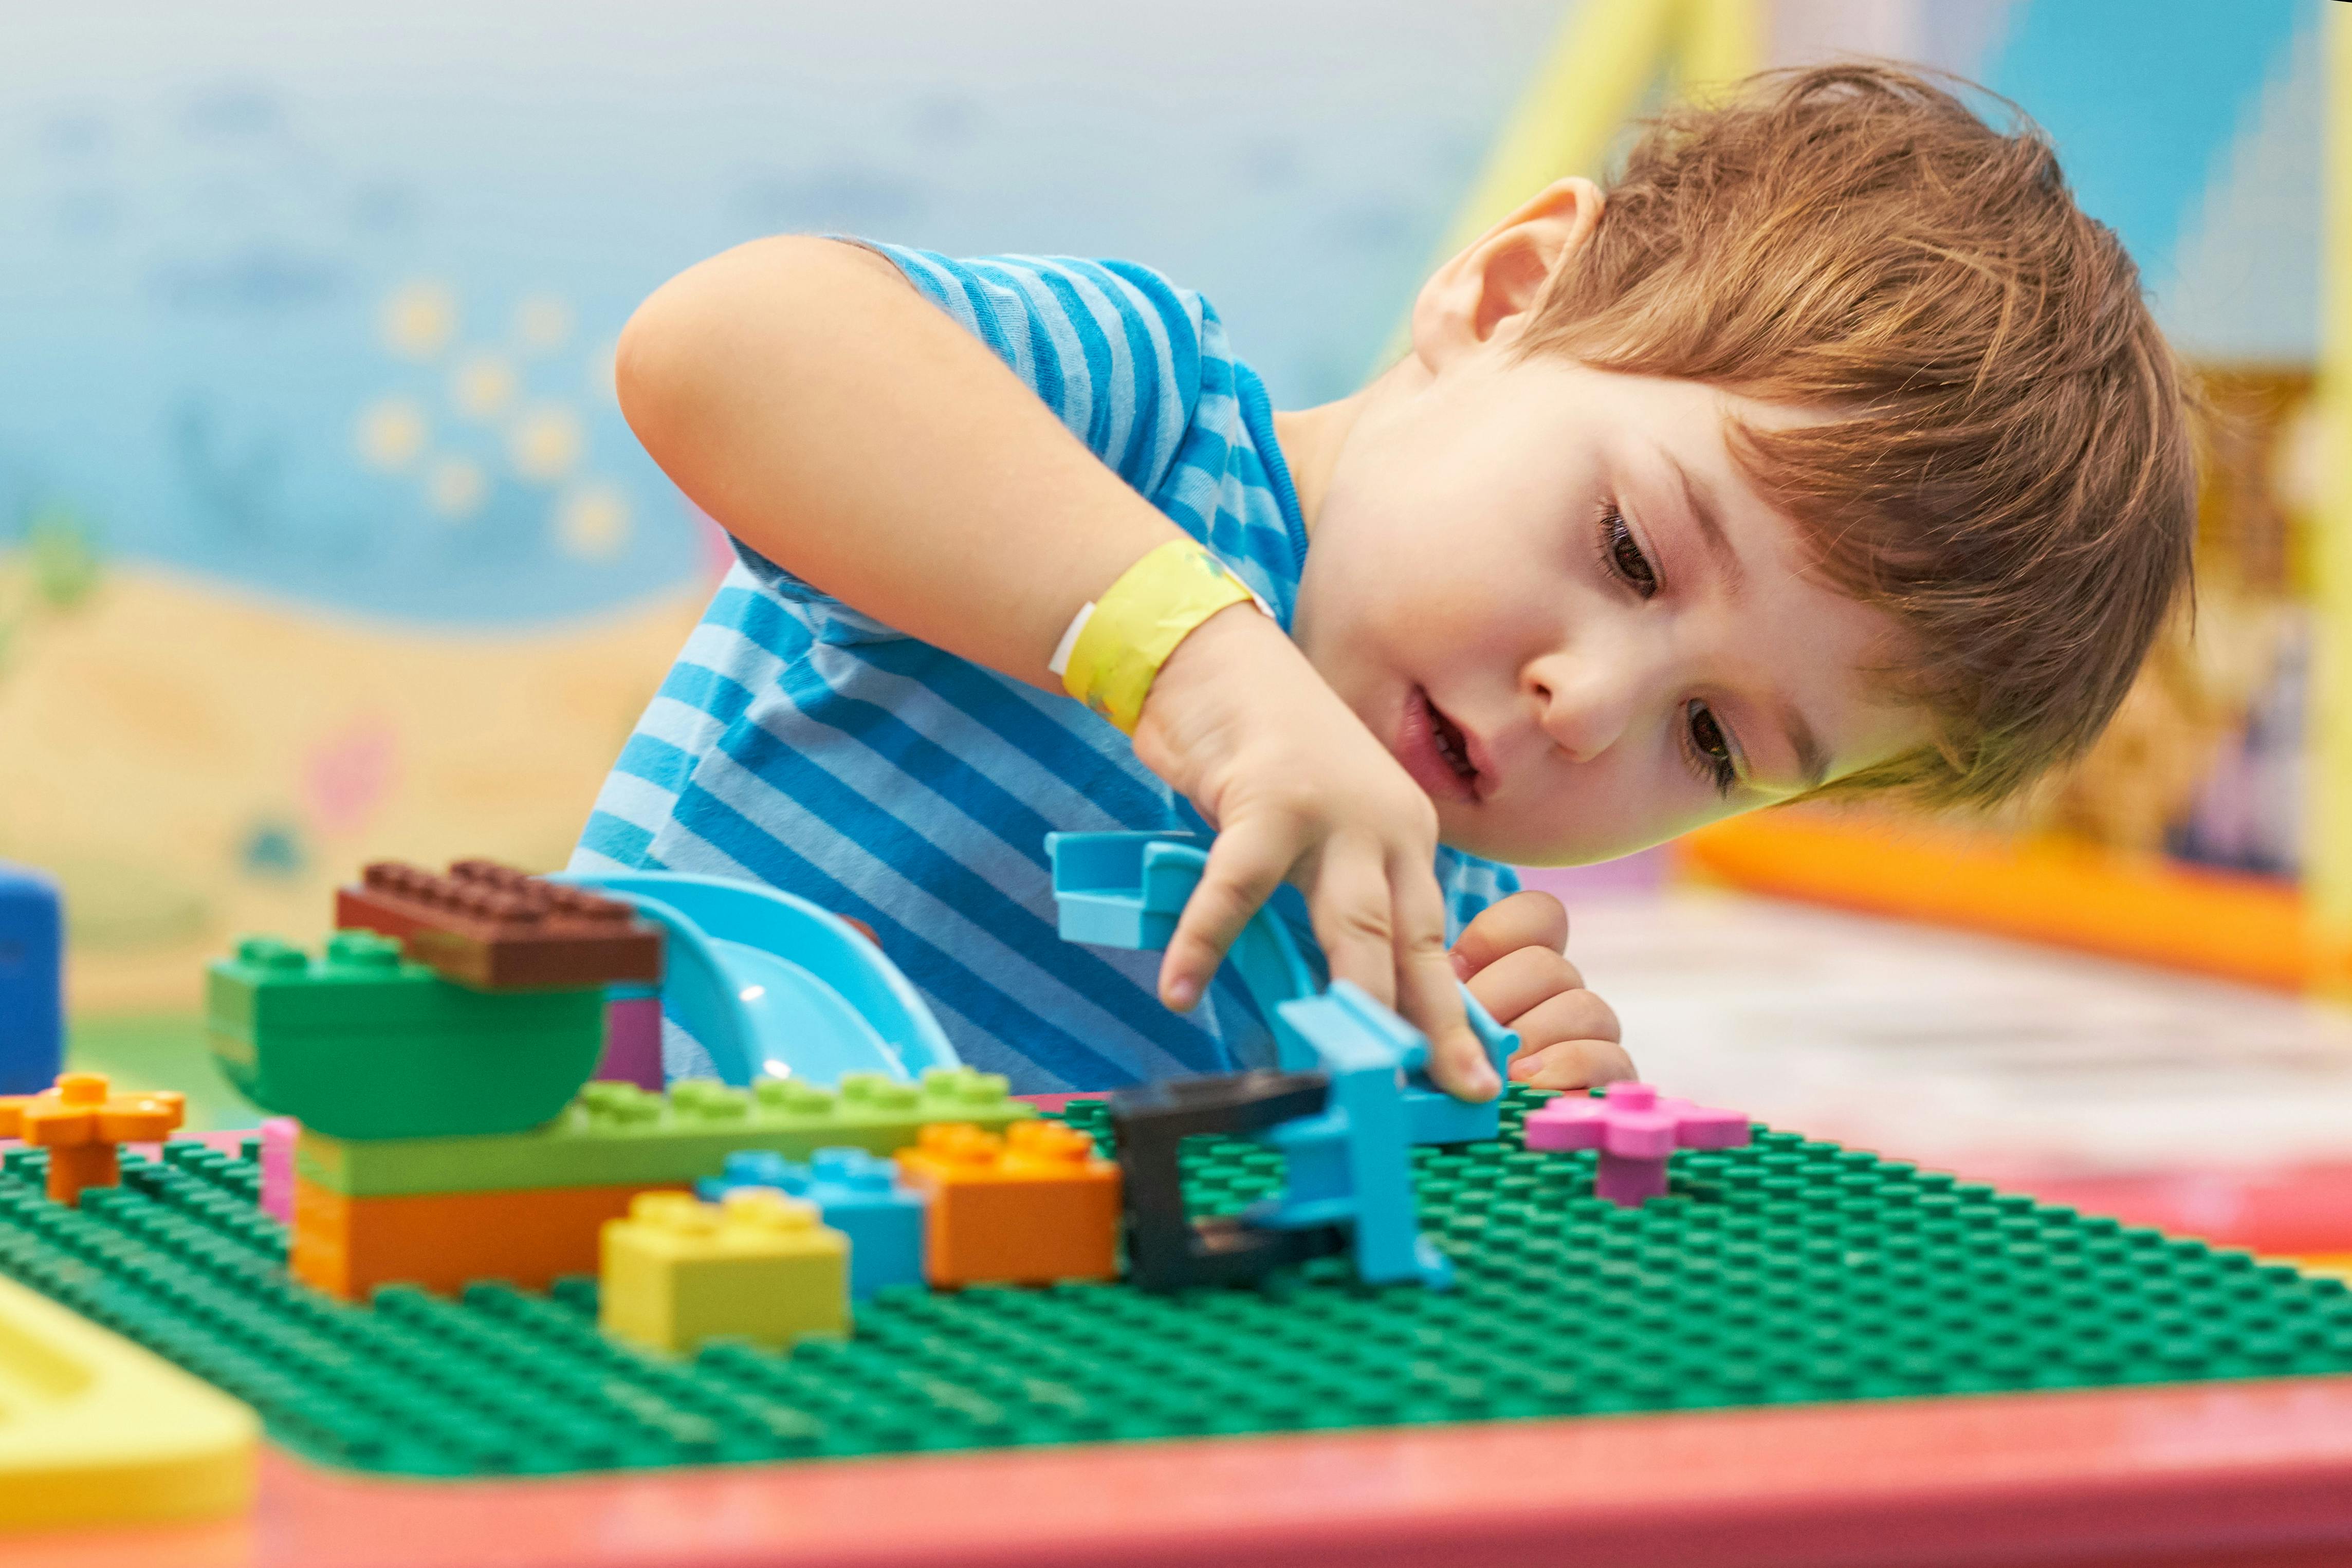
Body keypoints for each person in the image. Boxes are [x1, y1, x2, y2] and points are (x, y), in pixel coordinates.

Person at [573, 64, 2195, 1101]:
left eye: (1714, 742)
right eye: (1631, 548)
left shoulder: (1441, 920)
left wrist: (1481, 1114)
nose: (1595, 701)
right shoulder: (1143, 422)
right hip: (559, 1233)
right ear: (1507, 295)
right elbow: (726, 344)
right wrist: (1195, 657)